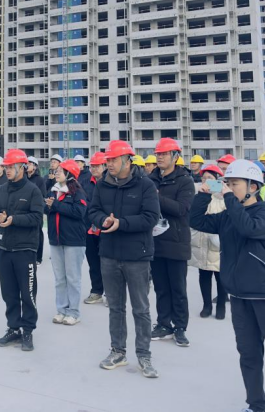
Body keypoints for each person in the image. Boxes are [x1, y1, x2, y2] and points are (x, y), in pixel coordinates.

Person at [190, 160, 265, 413]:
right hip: (240, 296)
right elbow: (197, 221)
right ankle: (256, 405)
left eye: (234, 184)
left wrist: (228, 199)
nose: (228, 188)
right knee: (249, 356)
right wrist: (203, 195)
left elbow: (248, 228)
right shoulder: (228, 216)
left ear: (253, 187)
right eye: (226, 183)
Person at [87, 140, 160, 379]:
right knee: (116, 307)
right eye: (107, 160)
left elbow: (151, 217)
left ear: (127, 160)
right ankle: (118, 351)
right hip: (109, 254)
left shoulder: (145, 185)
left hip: (137, 256)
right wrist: (103, 221)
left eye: (113, 160)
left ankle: (144, 355)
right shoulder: (101, 185)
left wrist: (122, 223)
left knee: (141, 308)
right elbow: (93, 211)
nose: (109, 164)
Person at [0, 149, 44, 352]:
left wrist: (14, 220)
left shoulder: (33, 191)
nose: (8, 170)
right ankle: (13, 328)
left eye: (11, 167)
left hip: (25, 249)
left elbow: (37, 217)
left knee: (27, 293)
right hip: (4, 248)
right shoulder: (2, 189)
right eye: (6, 167)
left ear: (22, 167)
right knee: (9, 293)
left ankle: (27, 330)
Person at [149, 137, 196, 348]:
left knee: (178, 289)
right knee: (160, 287)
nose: (159, 157)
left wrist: (156, 197)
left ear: (175, 156)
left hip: (177, 242)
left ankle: (180, 327)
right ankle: (163, 323)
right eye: (158, 154)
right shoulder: (151, 179)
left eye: (164, 154)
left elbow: (181, 209)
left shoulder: (184, 181)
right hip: (156, 241)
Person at [46, 159, 88, 325]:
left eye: (60, 171)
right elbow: (47, 209)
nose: (56, 173)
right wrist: (48, 206)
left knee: (72, 278)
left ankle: (74, 312)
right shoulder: (53, 190)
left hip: (73, 241)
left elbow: (79, 212)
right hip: (56, 240)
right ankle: (61, 310)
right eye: (57, 171)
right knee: (60, 278)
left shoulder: (78, 192)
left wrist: (55, 205)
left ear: (69, 174)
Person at [190, 164, 227, 320]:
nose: (206, 181)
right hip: (202, 242)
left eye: (210, 178)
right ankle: (206, 305)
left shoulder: (224, 198)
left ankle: (221, 305)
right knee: (204, 275)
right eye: (204, 178)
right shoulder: (199, 195)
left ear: (218, 180)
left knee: (221, 277)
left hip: (218, 245)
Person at [83, 152, 106, 304]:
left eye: (97, 166)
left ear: (104, 166)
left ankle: (110, 293)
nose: (94, 169)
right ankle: (96, 291)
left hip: (106, 229)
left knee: (108, 262)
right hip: (89, 228)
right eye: (92, 166)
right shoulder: (84, 183)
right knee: (93, 262)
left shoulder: (110, 183)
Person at [25, 156, 47, 264]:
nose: (27, 165)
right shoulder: (23, 178)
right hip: (25, 209)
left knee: (37, 233)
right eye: (26, 163)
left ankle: (38, 257)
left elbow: (43, 195)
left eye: (29, 163)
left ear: (35, 166)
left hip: (36, 209)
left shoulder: (39, 180)